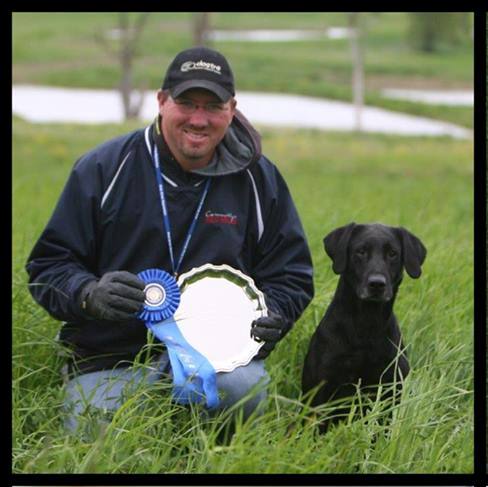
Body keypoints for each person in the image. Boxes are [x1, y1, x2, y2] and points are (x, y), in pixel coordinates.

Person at [26, 46, 314, 433]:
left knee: (244, 391)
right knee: (93, 430)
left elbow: (291, 275)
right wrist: (88, 294)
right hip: (109, 358)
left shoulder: (259, 180)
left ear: (231, 109)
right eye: (186, 103)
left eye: (212, 106)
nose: (198, 119)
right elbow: (49, 265)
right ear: (161, 102)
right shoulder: (104, 168)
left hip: (218, 362)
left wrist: (272, 312)